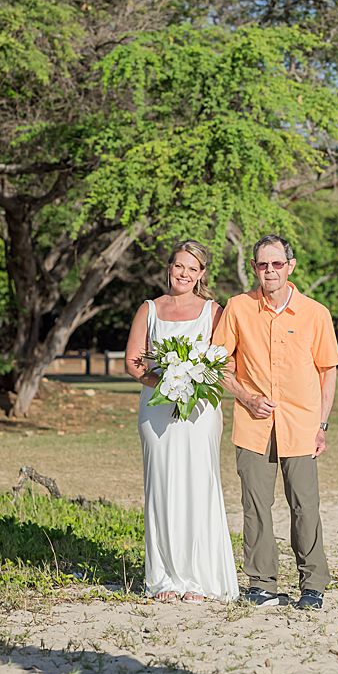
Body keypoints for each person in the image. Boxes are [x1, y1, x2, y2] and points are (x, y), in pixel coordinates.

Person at [212, 234, 338, 611]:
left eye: (277, 264)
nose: (270, 271)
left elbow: (327, 371)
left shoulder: (316, 314)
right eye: (263, 265)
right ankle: (261, 584)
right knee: (255, 505)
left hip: (301, 425)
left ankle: (313, 584)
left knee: (305, 506)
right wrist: (246, 397)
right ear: (254, 268)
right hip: (253, 425)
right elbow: (218, 365)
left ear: (290, 266)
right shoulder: (237, 308)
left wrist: (322, 425)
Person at [124, 240, 239, 603]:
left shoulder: (213, 311)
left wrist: (194, 380)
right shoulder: (149, 309)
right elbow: (133, 362)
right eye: (179, 266)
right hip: (156, 410)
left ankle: (198, 579)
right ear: (169, 267)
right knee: (162, 486)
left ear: (201, 274)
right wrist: (168, 383)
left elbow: (228, 362)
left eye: (192, 268)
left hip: (201, 414)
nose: (184, 274)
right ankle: (165, 578)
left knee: (197, 486)